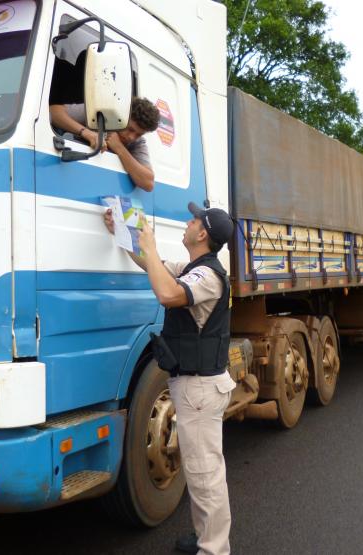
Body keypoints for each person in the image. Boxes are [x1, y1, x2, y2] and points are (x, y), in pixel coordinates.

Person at [103, 201, 236, 555]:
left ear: (203, 233)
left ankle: (214, 549)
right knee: (199, 471)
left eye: (194, 219)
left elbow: (166, 293)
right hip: (196, 386)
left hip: (200, 388)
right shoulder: (196, 268)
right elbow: (153, 268)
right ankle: (205, 535)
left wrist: (149, 244)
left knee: (205, 474)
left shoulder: (207, 276)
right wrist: (125, 232)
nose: (188, 222)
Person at [50, 97, 160, 192]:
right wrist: (86, 133)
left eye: (138, 134)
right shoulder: (100, 114)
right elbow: (53, 112)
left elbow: (148, 183)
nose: (132, 137)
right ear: (121, 116)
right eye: (130, 129)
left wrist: (119, 148)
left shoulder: (137, 143)